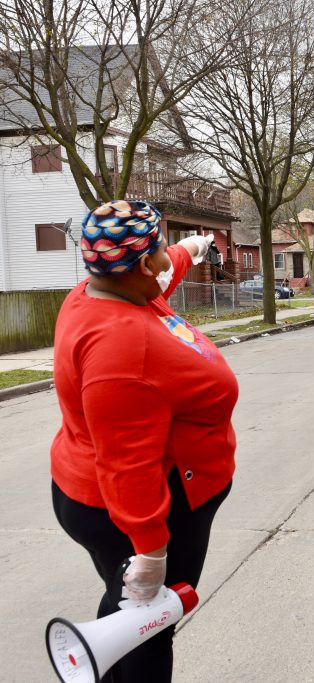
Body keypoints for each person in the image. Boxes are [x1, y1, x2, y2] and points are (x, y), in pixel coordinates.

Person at [50, 201, 236, 682]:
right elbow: (127, 465)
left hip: (92, 488)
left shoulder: (106, 291)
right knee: (148, 628)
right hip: (136, 511)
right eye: (156, 251)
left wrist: (193, 247)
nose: (163, 261)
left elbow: (162, 270)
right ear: (138, 265)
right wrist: (151, 553)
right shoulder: (121, 351)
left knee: (129, 616)